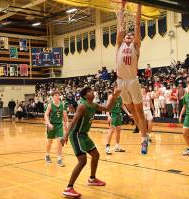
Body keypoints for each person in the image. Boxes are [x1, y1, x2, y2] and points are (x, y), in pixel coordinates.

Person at [61, 87, 121, 198]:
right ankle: (68, 188)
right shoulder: (82, 106)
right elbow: (73, 121)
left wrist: (114, 96)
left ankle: (92, 179)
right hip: (76, 135)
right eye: (89, 92)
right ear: (84, 96)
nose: (92, 92)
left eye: (91, 91)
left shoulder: (93, 105)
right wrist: (65, 135)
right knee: (82, 161)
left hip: (84, 135)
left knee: (95, 155)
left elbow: (108, 108)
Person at [116, 0, 148, 154]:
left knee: (139, 112)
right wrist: (122, 6)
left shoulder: (136, 46)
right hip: (121, 81)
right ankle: (144, 134)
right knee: (132, 112)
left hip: (133, 81)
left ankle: (144, 139)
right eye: (126, 35)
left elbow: (137, 26)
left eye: (131, 35)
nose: (128, 36)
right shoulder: (119, 45)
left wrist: (139, 6)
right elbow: (120, 27)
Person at [44, 91, 68, 167]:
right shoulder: (50, 105)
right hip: (51, 125)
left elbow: (64, 115)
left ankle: (59, 159)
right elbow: (46, 115)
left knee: (60, 141)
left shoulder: (62, 105)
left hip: (59, 125)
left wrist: (66, 125)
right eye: (55, 95)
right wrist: (48, 123)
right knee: (50, 142)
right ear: (53, 97)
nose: (57, 96)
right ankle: (47, 155)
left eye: (58, 95)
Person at [106, 85, 131, 155]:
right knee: (111, 130)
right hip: (113, 114)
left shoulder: (120, 97)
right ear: (115, 89)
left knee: (119, 130)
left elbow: (122, 105)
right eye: (118, 88)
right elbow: (107, 107)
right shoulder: (111, 96)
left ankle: (117, 146)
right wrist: (108, 116)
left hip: (119, 114)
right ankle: (107, 147)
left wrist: (128, 113)